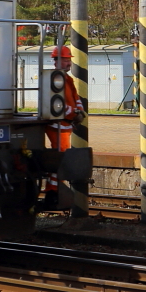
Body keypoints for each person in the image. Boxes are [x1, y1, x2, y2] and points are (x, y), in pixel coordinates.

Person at [42, 44, 84, 211]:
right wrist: (74, 113)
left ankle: (54, 190)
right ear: (56, 61)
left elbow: (75, 97)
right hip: (57, 126)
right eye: (66, 60)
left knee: (61, 159)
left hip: (65, 126)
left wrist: (79, 110)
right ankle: (52, 191)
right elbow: (56, 106)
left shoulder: (68, 80)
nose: (69, 63)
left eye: (69, 60)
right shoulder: (54, 79)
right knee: (59, 159)